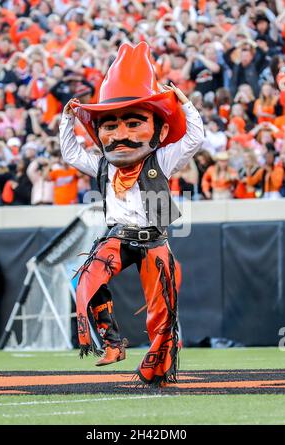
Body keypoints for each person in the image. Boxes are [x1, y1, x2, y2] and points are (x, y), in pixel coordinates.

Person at [59, 41, 204, 386]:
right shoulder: (101, 165)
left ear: (159, 129)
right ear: (100, 133)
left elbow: (195, 139)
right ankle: (112, 343)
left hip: (153, 239)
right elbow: (69, 152)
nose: (121, 135)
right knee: (85, 279)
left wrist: (185, 103)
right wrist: (67, 119)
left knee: (162, 312)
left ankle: (157, 368)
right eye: (110, 126)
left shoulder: (162, 160)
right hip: (118, 236)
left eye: (134, 123)